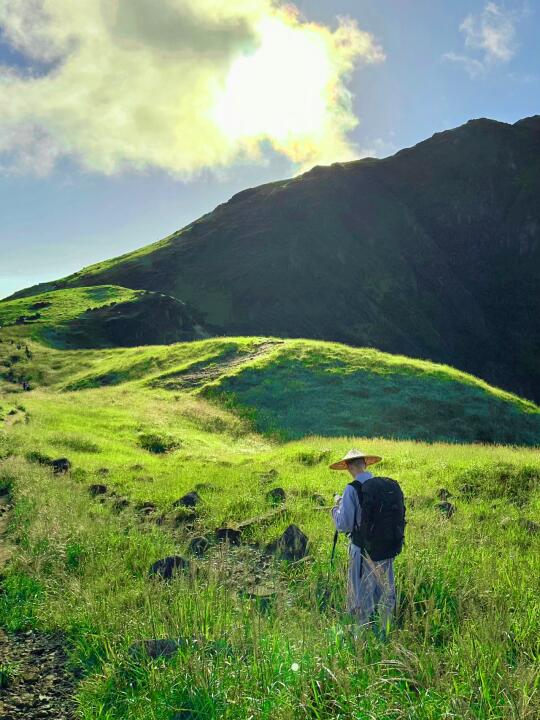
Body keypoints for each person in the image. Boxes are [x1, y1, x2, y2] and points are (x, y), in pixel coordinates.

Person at [330, 449, 403, 635]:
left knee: (360, 595)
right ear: (366, 464)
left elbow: (344, 525)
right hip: (387, 549)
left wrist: (335, 508)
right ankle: (385, 632)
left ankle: (359, 638)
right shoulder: (383, 486)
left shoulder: (351, 489)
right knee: (385, 593)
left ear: (348, 466)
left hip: (362, 551)